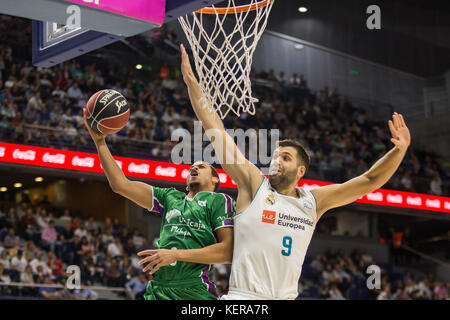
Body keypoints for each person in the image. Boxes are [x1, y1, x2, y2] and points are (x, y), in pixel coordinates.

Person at [180, 43, 411, 300]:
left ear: (301, 170)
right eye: (275, 156)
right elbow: (217, 133)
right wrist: (192, 84)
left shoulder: (314, 202)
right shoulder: (254, 184)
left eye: (285, 158)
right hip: (244, 299)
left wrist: (398, 151)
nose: (277, 161)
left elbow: (369, 180)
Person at [82, 109, 234, 300]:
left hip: (193, 290)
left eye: (201, 166)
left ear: (214, 181)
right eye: (191, 167)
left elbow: (227, 252)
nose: (194, 167)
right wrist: (100, 142)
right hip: (158, 290)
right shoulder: (170, 197)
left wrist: (176, 255)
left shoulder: (219, 201)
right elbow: (121, 185)